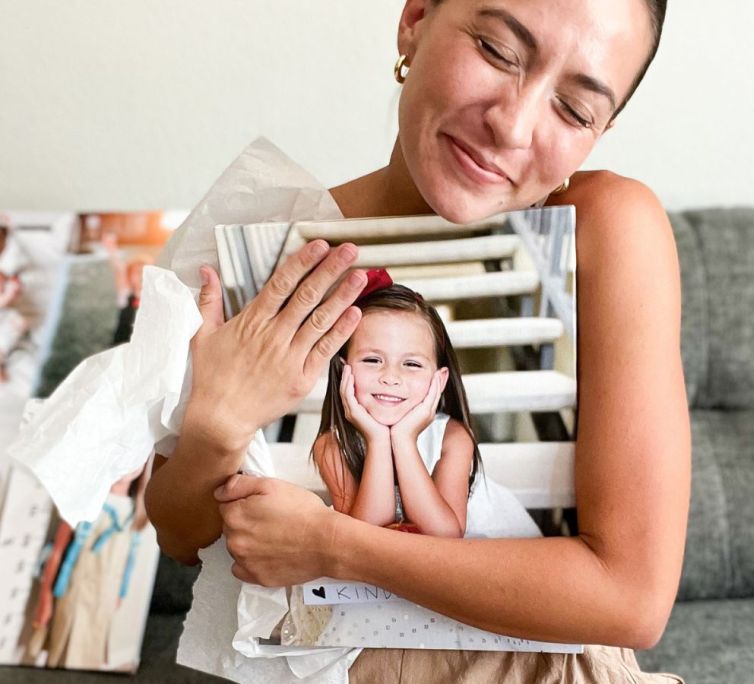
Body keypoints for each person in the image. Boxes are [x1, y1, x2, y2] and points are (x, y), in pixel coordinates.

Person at [146, 0, 690, 681]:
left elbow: (630, 599)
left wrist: (333, 545)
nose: (513, 126)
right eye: (496, 50)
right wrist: (214, 429)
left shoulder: (609, 228)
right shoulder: (271, 239)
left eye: (575, 111)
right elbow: (177, 533)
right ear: (415, 20)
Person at [313, 274, 481, 537]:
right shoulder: (333, 445)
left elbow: (446, 535)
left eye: (411, 364)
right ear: (343, 370)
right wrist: (378, 439)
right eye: (372, 360)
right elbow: (363, 536)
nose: (391, 377)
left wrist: (404, 439)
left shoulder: (453, 437)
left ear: (439, 380)